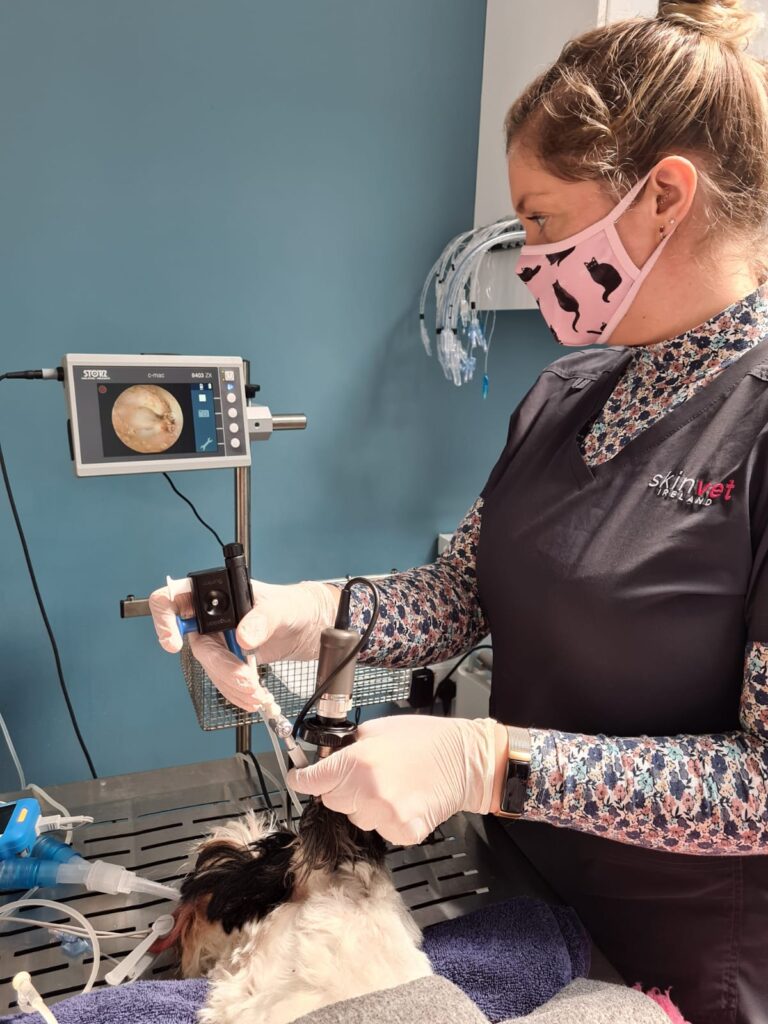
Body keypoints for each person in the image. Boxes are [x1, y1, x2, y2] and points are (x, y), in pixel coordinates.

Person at [150, 2, 768, 1020]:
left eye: (543, 219)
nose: (526, 258)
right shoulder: (570, 391)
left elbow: (758, 783)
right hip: (523, 904)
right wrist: (300, 609)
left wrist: (487, 759)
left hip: (690, 960)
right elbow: (459, 593)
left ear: (665, 197)